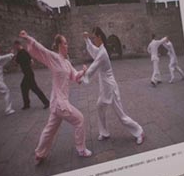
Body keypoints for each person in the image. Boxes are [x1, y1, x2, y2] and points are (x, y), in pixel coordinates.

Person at [18, 31, 91, 164]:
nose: (67, 45)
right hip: (59, 103)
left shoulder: (66, 62)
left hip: (58, 103)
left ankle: (39, 154)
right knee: (79, 119)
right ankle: (81, 149)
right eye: (65, 43)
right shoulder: (54, 58)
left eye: (67, 43)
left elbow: (74, 76)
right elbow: (41, 49)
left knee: (50, 130)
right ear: (59, 45)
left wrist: (83, 72)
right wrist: (28, 38)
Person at [81, 28, 144, 145]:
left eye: (94, 37)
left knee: (121, 116)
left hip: (110, 88)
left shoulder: (103, 53)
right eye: (93, 38)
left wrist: (83, 75)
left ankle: (139, 131)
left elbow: (93, 67)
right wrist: (87, 39)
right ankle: (104, 132)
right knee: (99, 107)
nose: (93, 40)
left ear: (99, 37)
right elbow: (93, 51)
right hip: (105, 88)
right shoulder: (100, 50)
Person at [12, 39, 49, 110]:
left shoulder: (21, 53)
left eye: (15, 46)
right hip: (28, 73)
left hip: (28, 74)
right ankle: (27, 104)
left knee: (34, 88)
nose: (15, 47)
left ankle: (46, 102)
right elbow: (31, 61)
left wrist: (13, 56)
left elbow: (16, 64)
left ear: (17, 45)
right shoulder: (24, 52)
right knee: (23, 87)